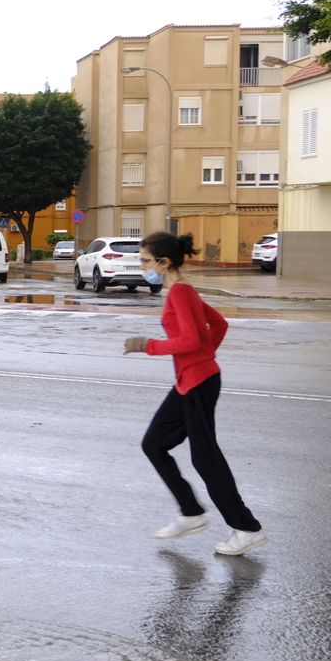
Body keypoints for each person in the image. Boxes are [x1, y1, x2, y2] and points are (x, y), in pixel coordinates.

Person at [123, 231, 264, 556]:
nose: (142, 265)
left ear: (164, 262)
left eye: (145, 260)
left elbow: (189, 340)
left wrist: (148, 345)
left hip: (198, 382)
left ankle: (246, 528)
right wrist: (203, 357)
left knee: (205, 458)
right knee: (154, 443)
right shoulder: (181, 291)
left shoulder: (180, 293)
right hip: (192, 380)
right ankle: (190, 512)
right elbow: (219, 324)